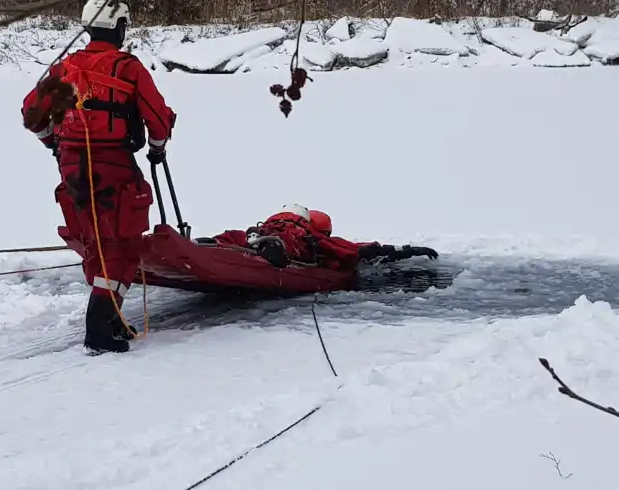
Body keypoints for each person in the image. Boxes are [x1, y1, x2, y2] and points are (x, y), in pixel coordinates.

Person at [21, 0, 176, 354]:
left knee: (93, 240)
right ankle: (99, 326)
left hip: (72, 168)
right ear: (119, 27)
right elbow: (158, 117)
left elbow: (31, 114)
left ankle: (112, 320)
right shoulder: (128, 68)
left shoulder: (65, 68)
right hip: (113, 166)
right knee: (122, 246)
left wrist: (53, 145)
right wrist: (157, 147)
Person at [202, 204, 438, 270]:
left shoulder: (273, 223)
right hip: (286, 247)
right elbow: (354, 251)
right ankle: (270, 248)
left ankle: (213, 245)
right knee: (293, 246)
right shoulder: (312, 236)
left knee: (239, 236)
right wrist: (403, 250)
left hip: (261, 235)